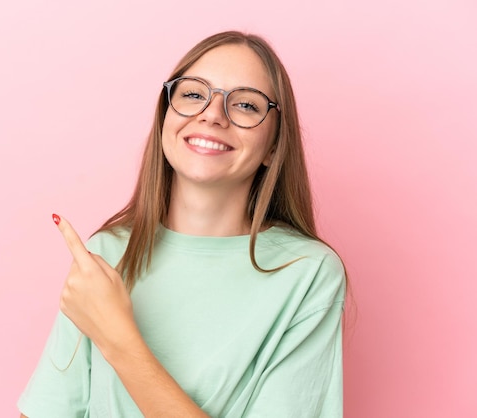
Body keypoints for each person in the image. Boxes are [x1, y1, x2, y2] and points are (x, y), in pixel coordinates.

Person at [18, 30, 346, 417]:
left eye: (244, 105)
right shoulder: (106, 252)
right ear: (165, 118)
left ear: (274, 147)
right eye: (193, 94)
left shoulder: (307, 274)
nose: (212, 114)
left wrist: (117, 338)